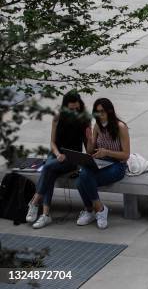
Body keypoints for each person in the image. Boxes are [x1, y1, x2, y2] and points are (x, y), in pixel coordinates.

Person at [25, 91, 92, 229]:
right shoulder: (57, 117)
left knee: (48, 168)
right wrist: (57, 154)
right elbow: (52, 143)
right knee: (50, 170)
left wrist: (90, 138)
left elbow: (88, 149)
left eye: (76, 108)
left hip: (72, 158)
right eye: (71, 109)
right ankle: (45, 215)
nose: (74, 111)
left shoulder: (84, 119)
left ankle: (35, 202)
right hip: (56, 155)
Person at [75, 98, 130, 229]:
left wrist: (107, 152)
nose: (100, 115)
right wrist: (89, 139)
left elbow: (126, 155)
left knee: (82, 180)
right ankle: (98, 209)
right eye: (97, 112)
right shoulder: (97, 126)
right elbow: (90, 151)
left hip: (118, 165)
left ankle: (91, 210)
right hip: (100, 162)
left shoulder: (121, 127)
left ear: (109, 111)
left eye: (102, 112)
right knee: (83, 175)